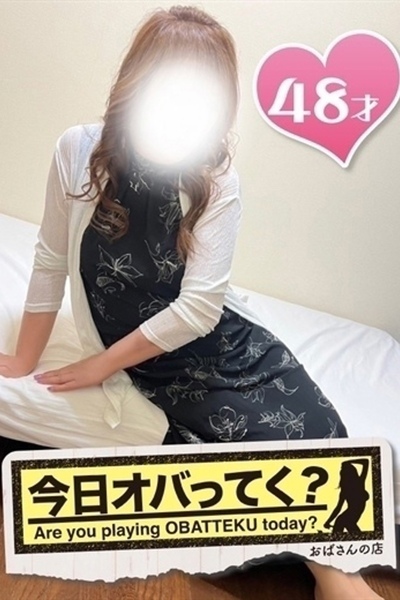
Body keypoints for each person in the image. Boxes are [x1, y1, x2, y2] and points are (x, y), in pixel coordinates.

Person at [0, 6, 383, 600]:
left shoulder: (216, 179)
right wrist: (24, 360)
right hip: (150, 359)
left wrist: (100, 366)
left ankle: (336, 573)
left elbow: (200, 309)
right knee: (246, 462)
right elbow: (51, 258)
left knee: (319, 435)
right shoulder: (78, 151)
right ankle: (336, 574)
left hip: (215, 341)